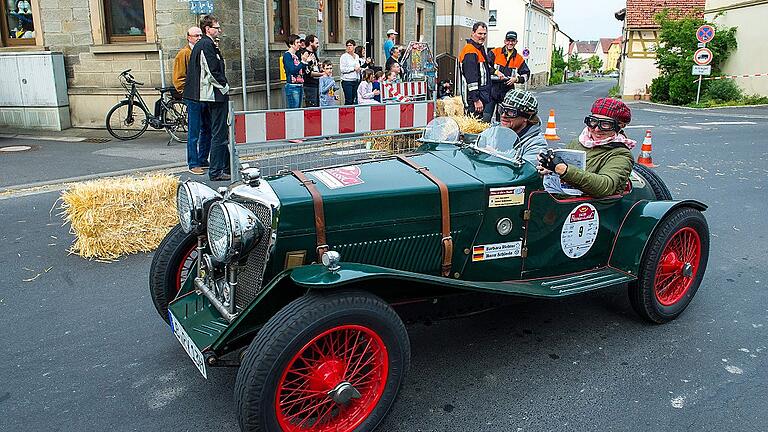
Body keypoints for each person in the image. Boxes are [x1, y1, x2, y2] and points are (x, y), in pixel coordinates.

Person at [537, 98, 636, 198]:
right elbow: (561, 171)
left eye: (605, 124)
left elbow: (605, 186)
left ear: (619, 126)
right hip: (566, 200)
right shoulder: (578, 142)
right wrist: (549, 168)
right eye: (593, 122)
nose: (597, 129)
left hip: (596, 207)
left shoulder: (621, 154)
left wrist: (563, 170)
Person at [184, 15, 231, 181]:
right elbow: (212, 72)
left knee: (216, 131)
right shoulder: (206, 45)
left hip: (210, 94)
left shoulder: (207, 44)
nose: (219, 30)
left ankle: (225, 166)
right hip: (213, 95)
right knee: (218, 132)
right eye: (216, 27)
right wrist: (225, 87)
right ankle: (217, 170)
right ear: (207, 29)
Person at [174, 26, 210, 175]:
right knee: (194, 132)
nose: (198, 38)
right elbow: (178, 78)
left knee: (206, 129)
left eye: (200, 35)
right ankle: (193, 163)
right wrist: (186, 93)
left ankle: (202, 159)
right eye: (195, 36)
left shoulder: (202, 51)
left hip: (204, 96)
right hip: (193, 97)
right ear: (188, 37)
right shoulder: (184, 54)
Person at [479, 89, 546, 164]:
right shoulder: (494, 131)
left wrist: (495, 154)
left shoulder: (536, 143)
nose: (503, 115)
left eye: (511, 112)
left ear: (526, 117)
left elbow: (525, 170)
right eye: (502, 109)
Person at [488, 31, 530, 122]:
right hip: (491, 90)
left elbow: (526, 75)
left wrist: (516, 79)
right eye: (508, 40)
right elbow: (486, 66)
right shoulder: (495, 52)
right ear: (504, 41)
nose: (510, 43)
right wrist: (496, 72)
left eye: (513, 41)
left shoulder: (519, 58)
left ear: (516, 42)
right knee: (486, 118)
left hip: (507, 92)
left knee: (502, 121)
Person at [459, 22, 493, 122]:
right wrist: (476, 100)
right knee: (473, 127)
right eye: (479, 33)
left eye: (484, 34)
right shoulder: (470, 50)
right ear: (473, 33)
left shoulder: (479, 49)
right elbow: (471, 78)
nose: (482, 36)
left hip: (480, 96)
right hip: (474, 99)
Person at [282, 34, 305, 108]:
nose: (299, 44)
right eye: (297, 42)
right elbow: (292, 70)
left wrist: (307, 62)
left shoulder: (296, 55)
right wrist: (303, 62)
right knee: (294, 110)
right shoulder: (287, 55)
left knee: (298, 109)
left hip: (299, 84)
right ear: (291, 44)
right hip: (292, 86)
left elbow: (300, 69)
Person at [302, 35, 323, 107]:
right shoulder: (305, 53)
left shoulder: (314, 53)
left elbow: (315, 67)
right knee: (312, 107)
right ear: (311, 43)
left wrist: (320, 67)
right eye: (316, 43)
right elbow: (308, 73)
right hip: (309, 85)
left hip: (317, 83)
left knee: (317, 106)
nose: (318, 45)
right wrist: (323, 74)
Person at [340, 39, 361, 105]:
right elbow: (342, 69)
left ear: (354, 46)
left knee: (354, 100)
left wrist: (359, 69)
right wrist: (353, 69)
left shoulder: (357, 56)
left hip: (356, 80)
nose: (349, 47)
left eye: (351, 45)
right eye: (347, 46)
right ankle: (346, 114)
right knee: (348, 100)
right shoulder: (344, 56)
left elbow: (357, 66)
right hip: (347, 81)